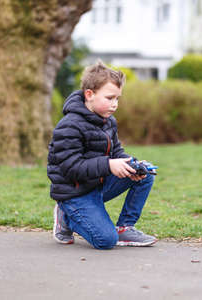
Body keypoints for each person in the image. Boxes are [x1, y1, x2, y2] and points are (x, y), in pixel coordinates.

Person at [47, 60, 157, 249]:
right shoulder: (69, 125)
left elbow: (116, 152)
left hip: (98, 183)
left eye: (117, 99)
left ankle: (124, 227)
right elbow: (71, 168)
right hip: (75, 192)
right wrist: (109, 165)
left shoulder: (108, 121)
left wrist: (132, 164)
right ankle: (66, 214)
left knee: (144, 174)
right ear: (89, 94)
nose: (114, 104)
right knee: (105, 241)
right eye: (109, 98)